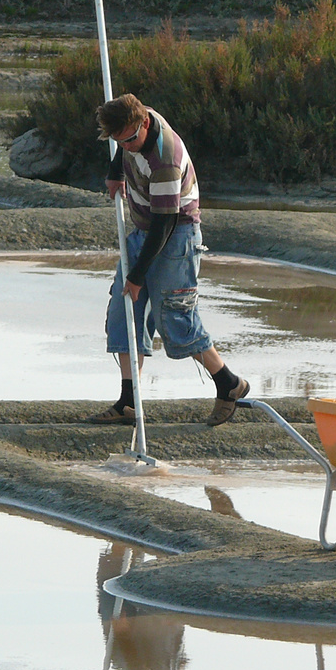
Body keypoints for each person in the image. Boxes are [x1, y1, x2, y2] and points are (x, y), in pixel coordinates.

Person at [84, 93, 250, 427]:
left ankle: (228, 383)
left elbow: (165, 223)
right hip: (144, 229)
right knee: (124, 312)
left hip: (176, 234)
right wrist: (115, 170)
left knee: (174, 317)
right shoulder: (133, 125)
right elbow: (122, 147)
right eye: (119, 141)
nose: (126, 146)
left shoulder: (165, 161)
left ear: (144, 123)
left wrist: (138, 276)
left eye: (130, 140)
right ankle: (129, 401)